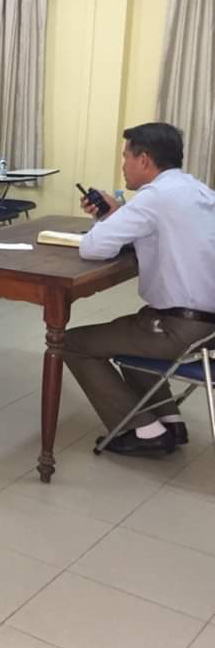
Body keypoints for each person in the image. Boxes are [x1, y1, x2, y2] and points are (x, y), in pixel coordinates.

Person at [63, 123, 215, 457]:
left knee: (71, 343)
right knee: (134, 328)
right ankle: (169, 420)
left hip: (182, 328)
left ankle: (143, 431)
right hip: (208, 327)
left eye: (125, 157)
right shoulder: (198, 190)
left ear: (143, 159)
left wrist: (105, 219)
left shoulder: (154, 197)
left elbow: (93, 248)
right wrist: (117, 214)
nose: (123, 165)